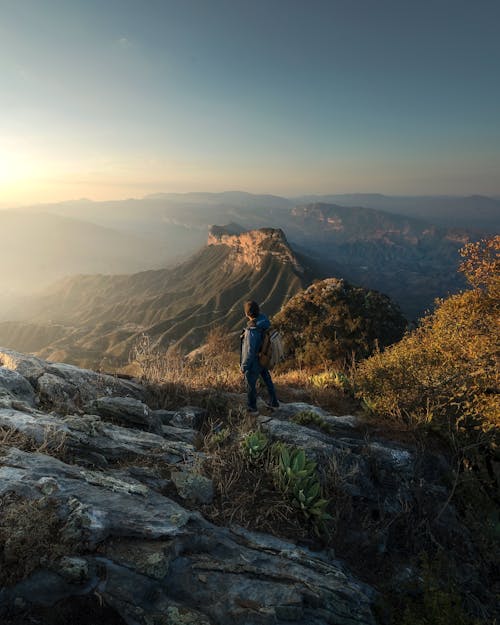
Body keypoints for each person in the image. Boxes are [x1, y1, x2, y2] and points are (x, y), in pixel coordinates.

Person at [240, 300, 279, 414]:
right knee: (267, 379)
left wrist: (244, 366)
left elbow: (250, 352)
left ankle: (252, 408)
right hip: (264, 357)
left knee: (250, 383)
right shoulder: (264, 322)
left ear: (247, 314)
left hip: (255, 361)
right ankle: (274, 402)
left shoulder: (252, 330)